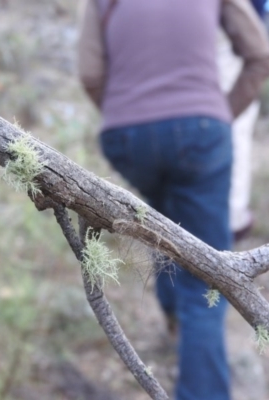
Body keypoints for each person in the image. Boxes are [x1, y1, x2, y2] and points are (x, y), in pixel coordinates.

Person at [78, 1, 269, 399]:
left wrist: (127, 118)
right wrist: (220, 114)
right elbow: (260, 55)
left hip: (126, 139)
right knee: (206, 283)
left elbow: (91, 74)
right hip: (201, 129)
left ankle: (171, 315)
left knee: (163, 220)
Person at [219, 0, 267, 240]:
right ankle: (232, 218)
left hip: (228, 34)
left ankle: (231, 217)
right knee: (234, 129)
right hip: (230, 33)